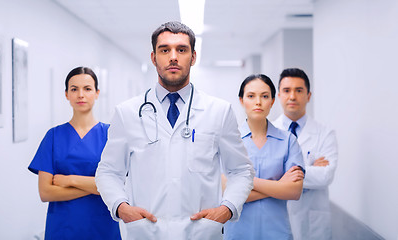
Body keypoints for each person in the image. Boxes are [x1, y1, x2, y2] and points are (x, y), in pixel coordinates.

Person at [95, 21, 255, 240]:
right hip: (146, 232)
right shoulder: (127, 113)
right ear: (153, 58)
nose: (173, 57)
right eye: (164, 50)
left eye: (181, 49)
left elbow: (241, 171)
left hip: (202, 233)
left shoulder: (219, 111)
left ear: (193, 57)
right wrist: (121, 207)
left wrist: (226, 209)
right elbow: (108, 172)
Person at [28, 67, 121, 240]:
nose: (80, 95)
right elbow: (46, 192)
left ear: (97, 93)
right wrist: (97, 187)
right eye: (74, 89)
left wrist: (70, 180)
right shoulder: (53, 136)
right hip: (63, 228)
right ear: (66, 94)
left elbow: (118, 186)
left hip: (101, 227)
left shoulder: (111, 136)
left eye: (87, 89)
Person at [223, 74, 305, 240]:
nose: (258, 102)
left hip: (277, 232)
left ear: (273, 101)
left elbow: (295, 191)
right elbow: (227, 191)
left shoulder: (288, 141)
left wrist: (242, 181)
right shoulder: (229, 140)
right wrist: (279, 186)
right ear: (241, 100)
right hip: (239, 233)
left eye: (265, 96)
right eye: (251, 96)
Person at [273, 68, 338, 240]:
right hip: (276, 216)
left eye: (299, 90)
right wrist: (308, 170)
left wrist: (282, 173)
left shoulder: (325, 133)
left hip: (312, 221)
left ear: (308, 96)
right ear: (279, 95)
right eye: (286, 91)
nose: (292, 96)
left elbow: (326, 176)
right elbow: (260, 174)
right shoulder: (267, 132)